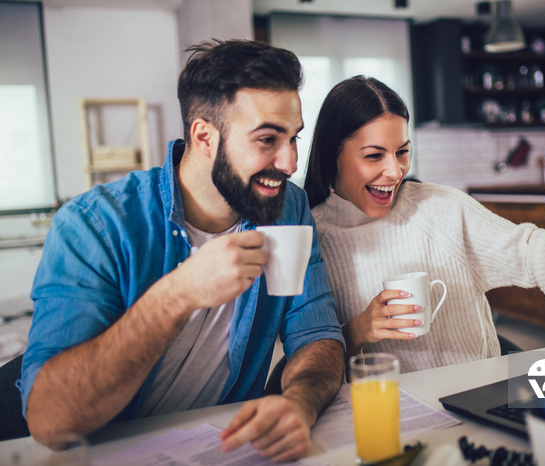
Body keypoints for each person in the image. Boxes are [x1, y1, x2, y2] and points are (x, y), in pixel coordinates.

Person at [20, 39, 345, 462]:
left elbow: (316, 334)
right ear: (204, 136)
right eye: (268, 139)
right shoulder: (95, 225)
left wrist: (300, 401)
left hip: (230, 451)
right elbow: (49, 419)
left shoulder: (288, 207)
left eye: (293, 138)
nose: (289, 163)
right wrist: (177, 295)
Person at [304, 75, 545, 373]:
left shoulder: (440, 208)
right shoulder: (314, 240)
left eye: (402, 152)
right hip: (388, 410)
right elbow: (306, 360)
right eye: (374, 155)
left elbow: (524, 252)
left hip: (476, 392)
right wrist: (357, 331)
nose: (395, 171)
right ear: (333, 155)